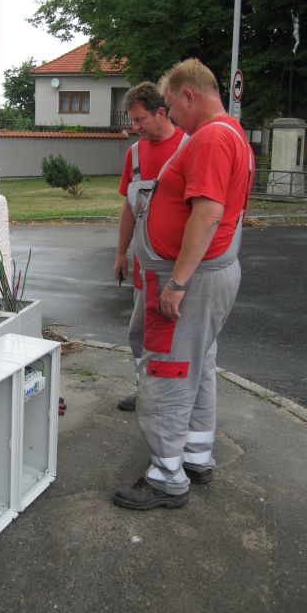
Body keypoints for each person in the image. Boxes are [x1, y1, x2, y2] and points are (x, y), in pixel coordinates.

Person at [113, 59, 254, 510]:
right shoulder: (231, 132)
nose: (170, 115)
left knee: (168, 372)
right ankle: (195, 456)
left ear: (188, 95)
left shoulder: (210, 138)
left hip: (189, 281)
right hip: (207, 275)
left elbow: (207, 213)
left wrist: (176, 281)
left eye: (172, 106)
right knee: (198, 365)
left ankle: (166, 476)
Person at [114, 82, 185, 412]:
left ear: (161, 113)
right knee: (140, 332)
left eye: (140, 119)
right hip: (145, 267)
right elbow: (129, 208)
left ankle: (173, 398)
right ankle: (144, 389)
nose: (135, 127)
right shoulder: (135, 154)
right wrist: (121, 253)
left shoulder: (188, 146)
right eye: (132, 120)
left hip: (179, 267)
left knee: (177, 337)